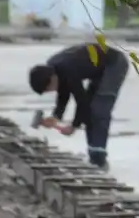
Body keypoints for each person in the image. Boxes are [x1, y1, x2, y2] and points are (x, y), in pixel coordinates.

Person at [27, 41, 132, 170]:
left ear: (52, 79)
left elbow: (82, 102)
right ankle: (94, 155)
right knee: (90, 112)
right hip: (99, 69)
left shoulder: (68, 69)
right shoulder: (54, 69)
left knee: (99, 110)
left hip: (114, 64)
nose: (51, 91)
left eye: (48, 89)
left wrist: (73, 126)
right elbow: (63, 92)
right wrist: (56, 117)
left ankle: (99, 158)